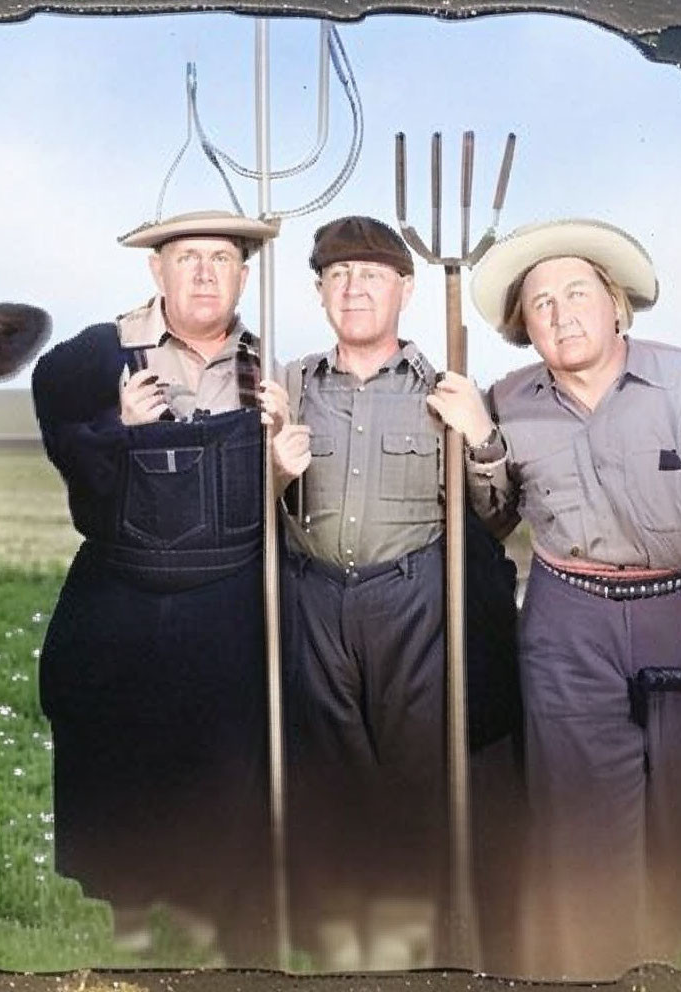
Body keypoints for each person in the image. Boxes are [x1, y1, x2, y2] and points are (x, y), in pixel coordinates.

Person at [428, 218, 681, 979]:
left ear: (617, 305)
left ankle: (672, 958)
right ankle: (597, 962)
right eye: (541, 304)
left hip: (680, 610)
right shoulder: (509, 400)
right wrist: (483, 442)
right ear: (526, 330)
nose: (560, 314)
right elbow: (493, 520)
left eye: (576, 293)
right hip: (567, 616)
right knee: (582, 813)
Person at [30, 209, 282, 966]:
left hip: (227, 594)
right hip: (125, 590)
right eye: (186, 258)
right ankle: (128, 917)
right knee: (119, 751)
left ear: (244, 273)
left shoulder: (266, 365)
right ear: (156, 271)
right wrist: (116, 430)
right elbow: (68, 450)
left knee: (226, 756)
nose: (204, 273)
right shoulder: (97, 354)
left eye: (221, 259)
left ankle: (218, 910)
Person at [270, 216, 520, 971]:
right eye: (337, 277)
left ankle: (425, 950)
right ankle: (346, 946)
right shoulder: (287, 388)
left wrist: (479, 438)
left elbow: (497, 517)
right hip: (313, 599)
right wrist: (274, 472)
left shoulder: (445, 389)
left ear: (404, 290)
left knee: (418, 777)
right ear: (318, 293)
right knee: (330, 773)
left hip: (414, 601)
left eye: (370, 275)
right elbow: (262, 513)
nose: (353, 289)